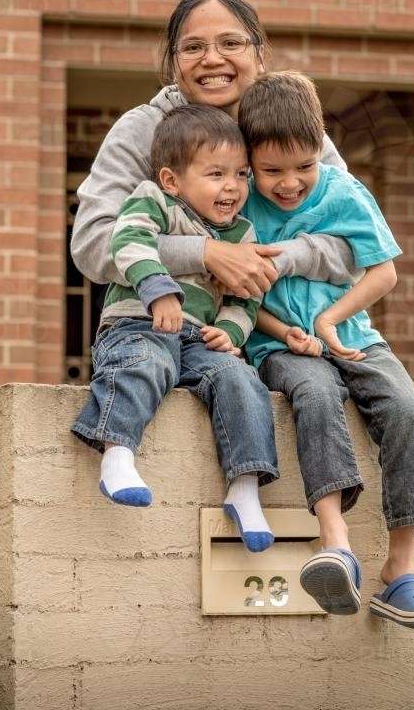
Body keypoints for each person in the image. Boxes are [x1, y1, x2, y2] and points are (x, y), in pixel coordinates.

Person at [69, 0, 356, 549]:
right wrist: (205, 254)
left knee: (343, 393)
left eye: (231, 42)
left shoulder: (298, 130)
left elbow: (353, 246)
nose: (212, 58)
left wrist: (267, 260)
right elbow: (93, 243)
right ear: (173, 61)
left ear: (260, 54)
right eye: (193, 46)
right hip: (163, 326)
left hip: (270, 340)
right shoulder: (141, 132)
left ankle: (346, 549)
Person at [237, 70, 414, 631]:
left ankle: (399, 571)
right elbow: (231, 295)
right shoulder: (238, 209)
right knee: (314, 391)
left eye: (304, 166)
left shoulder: (344, 190)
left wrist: (333, 317)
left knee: (408, 409)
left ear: (320, 147)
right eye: (272, 171)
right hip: (279, 342)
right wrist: (287, 333)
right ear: (249, 162)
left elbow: (384, 273)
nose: (290, 184)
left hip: (355, 336)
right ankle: (336, 543)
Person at [71, 103, 278, 553]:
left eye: (241, 174)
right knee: (146, 362)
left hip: (197, 338)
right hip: (138, 323)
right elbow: (127, 241)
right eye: (216, 174)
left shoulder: (242, 233)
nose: (233, 186)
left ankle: (244, 487)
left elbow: (248, 295)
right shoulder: (154, 200)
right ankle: (117, 455)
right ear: (172, 179)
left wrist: (230, 330)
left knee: (240, 378)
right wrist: (157, 289)